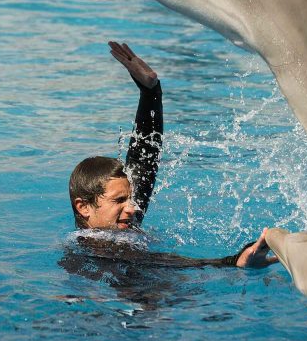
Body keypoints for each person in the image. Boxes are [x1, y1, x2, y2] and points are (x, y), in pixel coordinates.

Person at [66, 41, 277, 269]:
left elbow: (145, 155)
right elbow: (159, 264)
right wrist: (233, 262)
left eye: (129, 198)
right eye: (119, 200)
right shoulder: (89, 252)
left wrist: (150, 91)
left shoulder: (120, 224)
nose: (133, 207)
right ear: (83, 207)